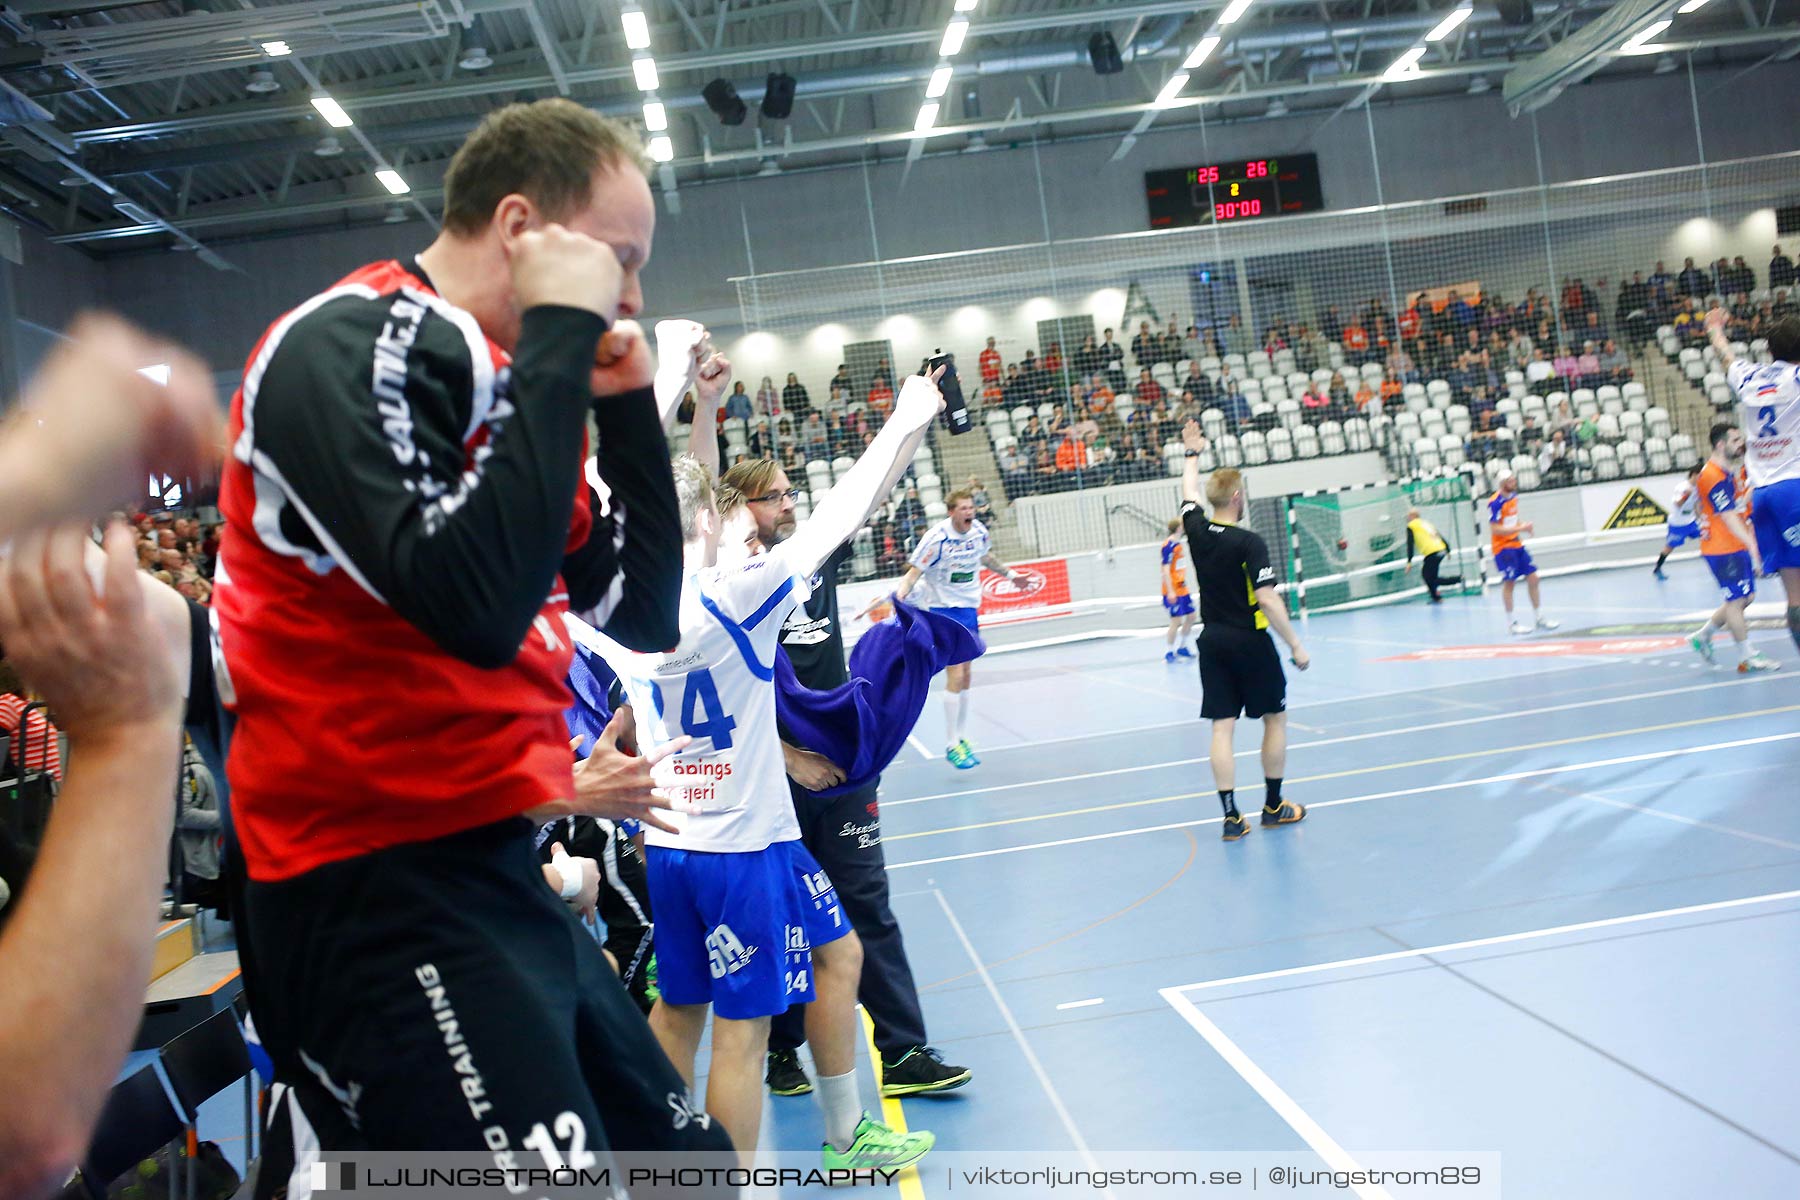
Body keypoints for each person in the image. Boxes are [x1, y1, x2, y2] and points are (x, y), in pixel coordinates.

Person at [213, 100, 739, 1174]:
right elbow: (476, 609)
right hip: (366, 890)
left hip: (491, 864)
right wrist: (557, 343)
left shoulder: (513, 391)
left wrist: (631, 403)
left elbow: (638, 610)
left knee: (689, 1167)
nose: (633, 294)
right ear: (521, 229)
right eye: (619, 258)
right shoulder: (344, 346)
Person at [584, 373, 949, 1170]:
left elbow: (596, 488)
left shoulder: (614, 612)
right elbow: (841, 511)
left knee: (824, 958)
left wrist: (672, 381)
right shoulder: (736, 594)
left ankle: (833, 1134)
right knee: (740, 1038)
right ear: (714, 517)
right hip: (737, 850)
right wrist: (907, 417)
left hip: (686, 840)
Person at [690, 383, 975, 1105]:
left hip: (843, 772)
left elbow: (870, 490)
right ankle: (782, 1052)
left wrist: (919, 415)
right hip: (769, 776)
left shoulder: (805, 563)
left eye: (790, 495)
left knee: (866, 907)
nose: (790, 505)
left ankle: (904, 1052)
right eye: (776, 497)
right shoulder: (728, 586)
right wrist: (788, 757)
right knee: (779, 918)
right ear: (739, 509)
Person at [1177, 422, 1309, 842]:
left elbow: (1187, 494)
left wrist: (1191, 454)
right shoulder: (1250, 542)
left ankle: (1231, 817)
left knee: (1222, 727)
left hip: (1212, 639)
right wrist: (1295, 643)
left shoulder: (1196, 532)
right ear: (1237, 497)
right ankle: (1273, 806)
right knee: (1275, 718)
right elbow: (1268, 600)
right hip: (1250, 641)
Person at [890, 490, 1027, 768]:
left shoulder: (977, 531)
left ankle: (961, 737)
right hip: (943, 612)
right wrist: (901, 593)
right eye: (964, 508)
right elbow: (914, 572)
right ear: (951, 511)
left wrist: (1012, 576)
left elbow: (986, 558)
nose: (970, 512)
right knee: (957, 673)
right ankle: (952, 743)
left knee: (966, 677)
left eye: (971, 507)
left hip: (968, 610)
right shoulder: (937, 538)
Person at [1710, 307, 1800, 658]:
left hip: (1762, 495)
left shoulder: (1749, 377)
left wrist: (1714, 327)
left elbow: (1725, 353)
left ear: (1770, 350)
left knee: (1794, 594)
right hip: (1795, 487)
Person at [1688, 422, 1780, 673]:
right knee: (1736, 600)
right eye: (1736, 440)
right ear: (1721, 445)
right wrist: (1752, 544)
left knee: (1745, 597)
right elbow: (1727, 516)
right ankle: (1747, 655)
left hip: (1730, 544)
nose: (1742, 444)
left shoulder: (1727, 471)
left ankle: (1704, 635)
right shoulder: (1713, 476)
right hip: (1722, 548)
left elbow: (1734, 505)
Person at [1488, 472, 1559, 636]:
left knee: (1533, 578)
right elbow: (1495, 529)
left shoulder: (1513, 497)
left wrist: (1523, 526)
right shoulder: (1495, 502)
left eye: (1514, 479)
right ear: (1502, 483)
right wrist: (1521, 528)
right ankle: (1512, 623)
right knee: (1509, 583)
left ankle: (1539, 617)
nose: (1514, 482)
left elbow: (1512, 520)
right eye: (1510, 480)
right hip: (1503, 548)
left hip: (1516, 543)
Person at [1653, 465, 1704, 581]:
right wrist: (1687, 495)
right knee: (1669, 547)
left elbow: (1696, 505)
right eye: (1700, 475)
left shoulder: (1698, 487)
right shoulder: (1682, 487)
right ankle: (1657, 568)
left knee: (1706, 534)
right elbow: (1678, 504)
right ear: (1694, 474)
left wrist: (1701, 518)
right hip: (1678, 523)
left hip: (1690, 522)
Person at [1404, 508, 1460, 603]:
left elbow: (1410, 544)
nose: (1407, 518)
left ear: (1413, 516)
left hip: (1432, 552)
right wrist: (1448, 549)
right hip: (1441, 550)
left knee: (1428, 577)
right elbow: (1439, 535)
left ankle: (1457, 579)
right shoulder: (1426, 523)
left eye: (1409, 515)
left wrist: (1409, 562)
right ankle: (1436, 597)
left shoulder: (1411, 526)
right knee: (1431, 576)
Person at [1160, 518, 1197, 662]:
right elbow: (1165, 569)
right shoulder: (1168, 546)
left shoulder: (1179, 545)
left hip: (1182, 588)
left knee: (1192, 616)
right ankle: (1169, 652)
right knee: (1176, 621)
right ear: (1178, 528)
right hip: (1173, 590)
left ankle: (1183, 646)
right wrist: (1170, 591)